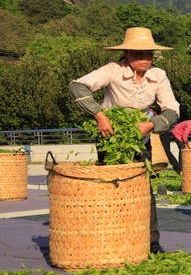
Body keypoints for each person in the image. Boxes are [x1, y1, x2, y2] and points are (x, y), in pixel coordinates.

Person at [69, 27, 180, 254]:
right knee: (112, 184)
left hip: (141, 135)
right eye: (138, 54)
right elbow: (77, 86)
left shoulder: (158, 75)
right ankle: (112, 235)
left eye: (148, 54)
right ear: (127, 54)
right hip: (111, 136)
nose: (144, 59)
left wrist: (150, 125)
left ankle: (150, 240)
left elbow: (172, 109)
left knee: (142, 186)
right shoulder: (113, 70)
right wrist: (99, 115)